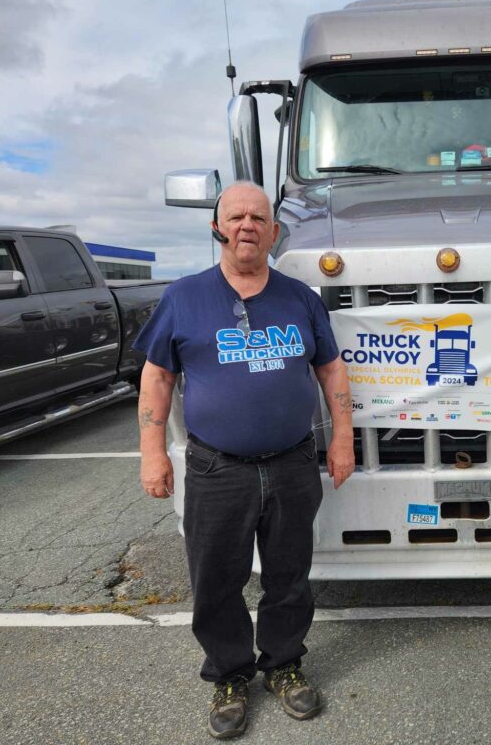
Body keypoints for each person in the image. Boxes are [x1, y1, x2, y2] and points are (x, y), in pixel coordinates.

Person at [135, 181, 355, 739]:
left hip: (291, 464)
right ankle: (230, 674)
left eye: (258, 217)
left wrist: (343, 437)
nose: (247, 226)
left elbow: (330, 369)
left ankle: (283, 665)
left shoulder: (301, 297)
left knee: (289, 577)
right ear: (218, 228)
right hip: (216, 469)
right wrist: (152, 453)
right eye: (236, 217)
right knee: (216, 581)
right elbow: (158, 376)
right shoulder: (183, 297)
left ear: (274, 231)